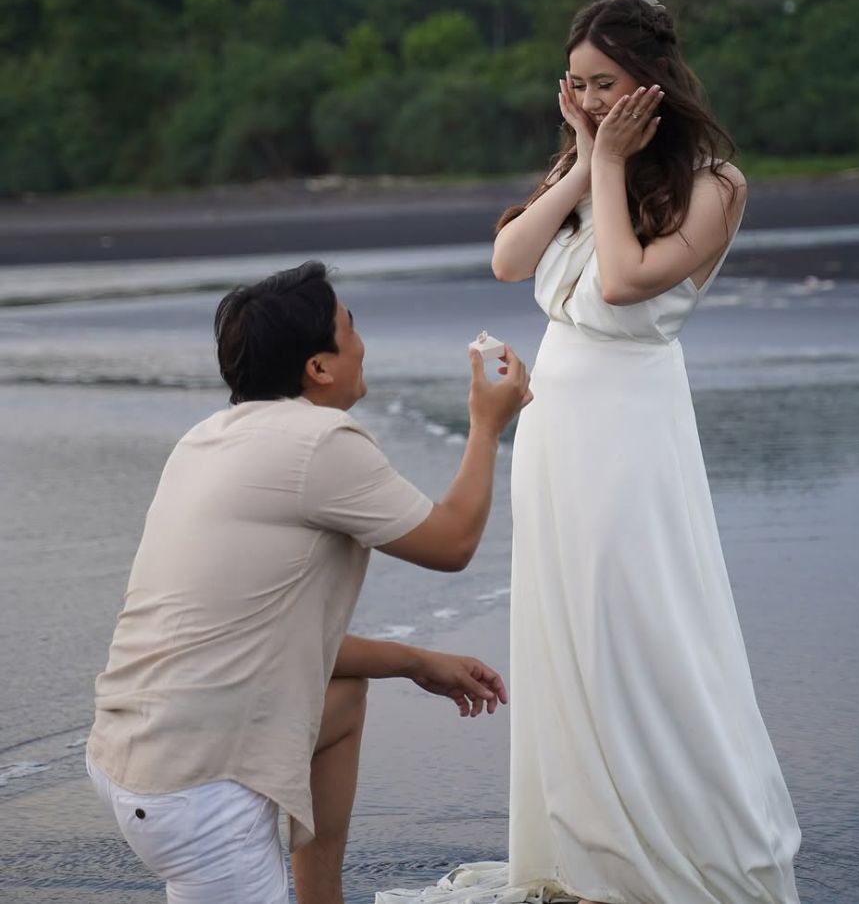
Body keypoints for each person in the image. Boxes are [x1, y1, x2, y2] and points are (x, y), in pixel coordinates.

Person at [85, 260, 532, 904]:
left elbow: (262, 639)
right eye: (350, 327)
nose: (361, 342)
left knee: (343, 696)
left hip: (133, 755)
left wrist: (414, 662)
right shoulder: (320, 442)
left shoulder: (204, 439)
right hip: (200, 791)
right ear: (318, 367)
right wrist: (487, 424)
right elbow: (453, 541)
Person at [493, 0, 802, 904]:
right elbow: (512, 261)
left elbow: (624, 282)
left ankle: (681, 838)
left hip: (631, 425)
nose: (588, 100)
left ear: (651, 83)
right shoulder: (585, 156)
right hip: (556, 428)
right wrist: (588, 158)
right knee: (571, 629)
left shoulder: (716, 183)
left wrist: (615, 164)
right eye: (577, 85)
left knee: (641, 626)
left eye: (605, 84)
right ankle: (583, 846)